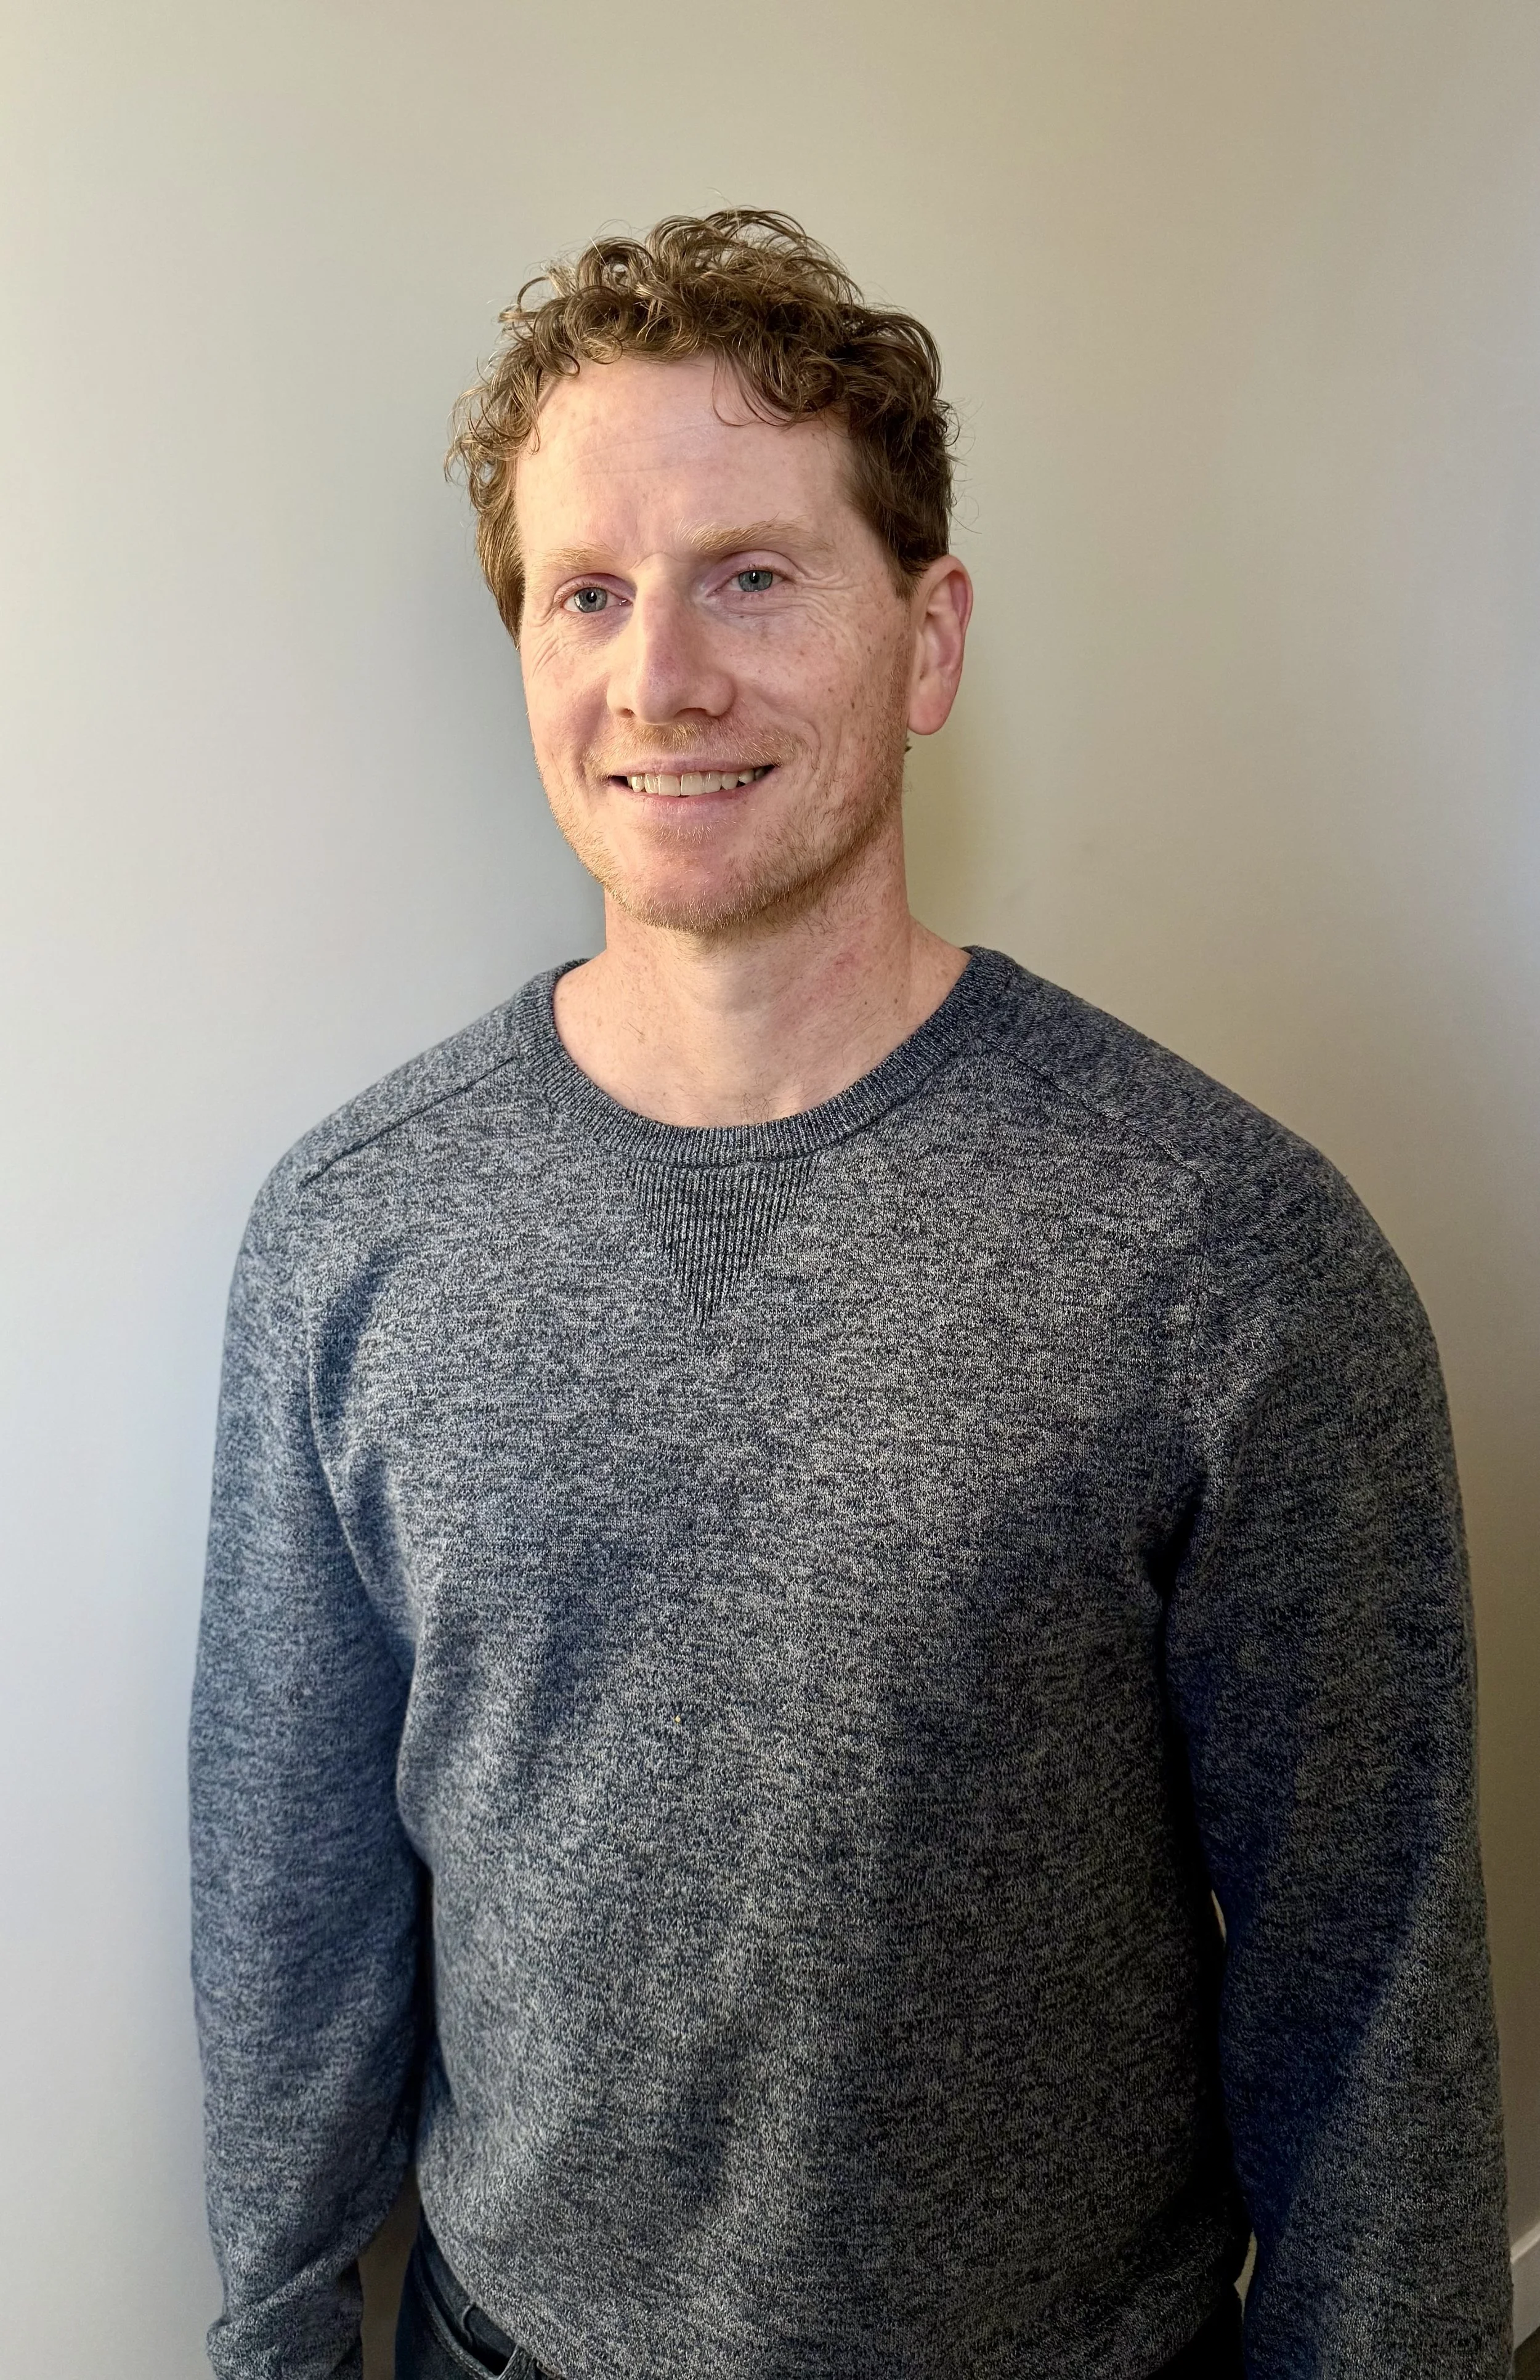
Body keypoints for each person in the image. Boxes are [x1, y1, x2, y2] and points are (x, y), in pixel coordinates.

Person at [189, 210, 1512, 2380]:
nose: (659, 681)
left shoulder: (1227, 1260)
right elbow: (289, 1913)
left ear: (929, 639)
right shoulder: (354, 1236)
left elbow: (1369, 2016)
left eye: (754, 576)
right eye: (587, 597)